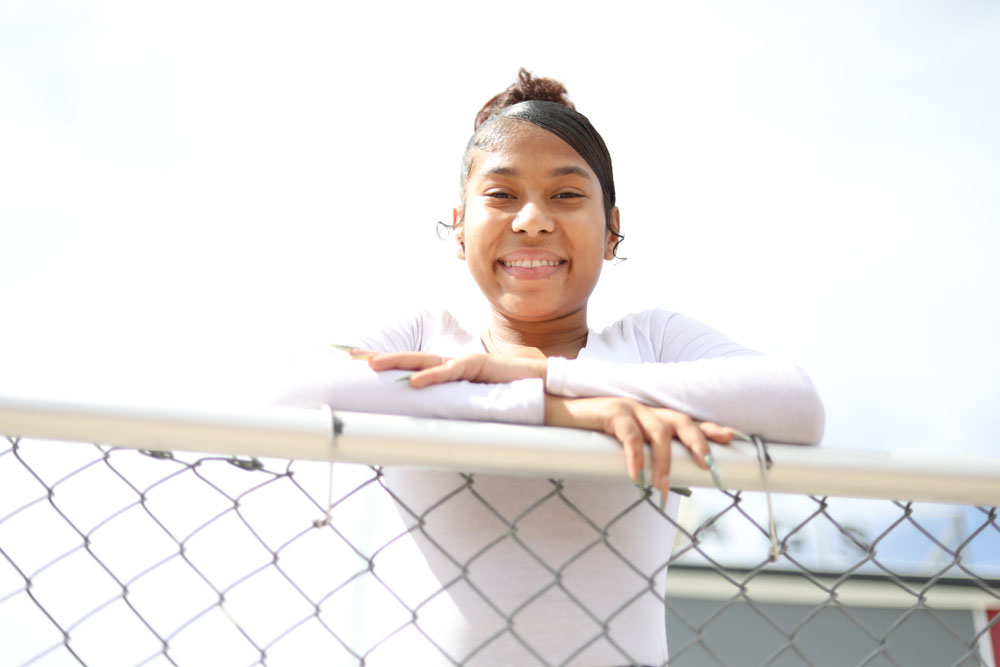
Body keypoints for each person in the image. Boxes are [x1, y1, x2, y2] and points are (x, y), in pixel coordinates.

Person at [278, 69, 824, 667]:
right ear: (459, 228)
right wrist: (568, 413)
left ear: (613, 230)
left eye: (566, 195)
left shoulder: (652, 340)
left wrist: (535, 375)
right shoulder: (426, 334)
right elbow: (292, 387)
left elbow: (795, 403)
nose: (532, 219)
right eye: (501, 195)